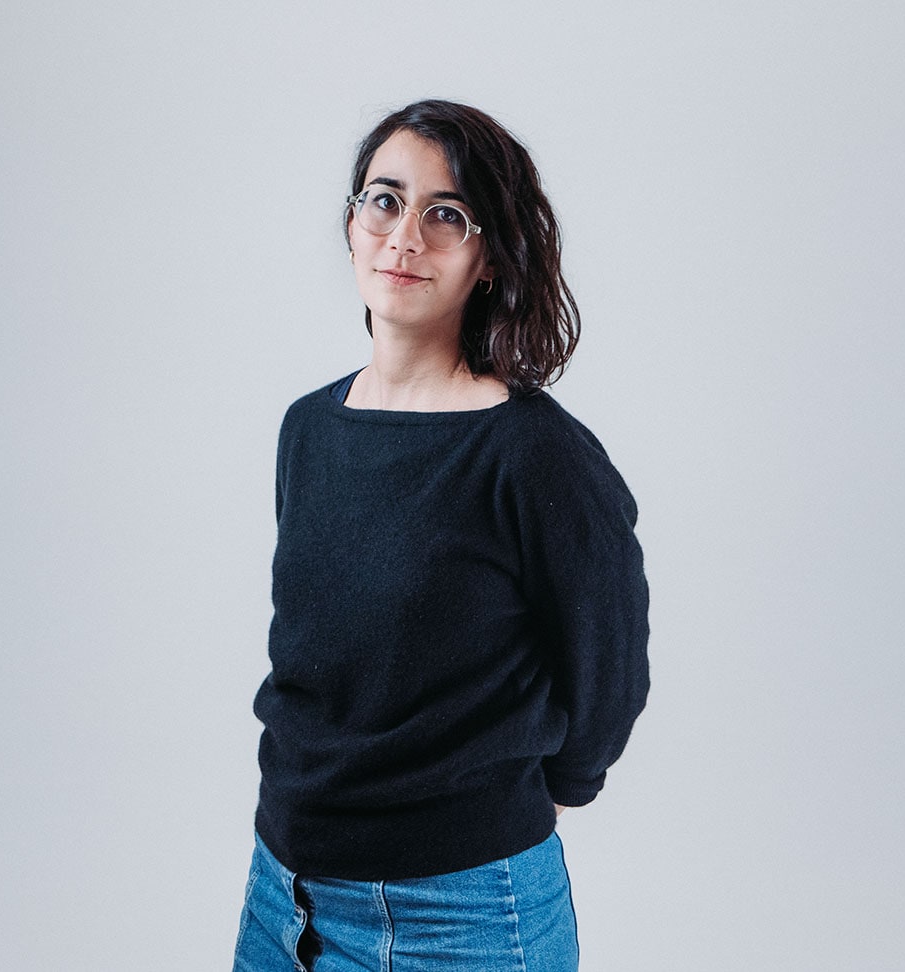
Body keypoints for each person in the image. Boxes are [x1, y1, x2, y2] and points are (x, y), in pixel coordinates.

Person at [232, 99, 650, 971]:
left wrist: (540, 796)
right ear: (352, 224)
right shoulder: (308, 429)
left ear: (489, 259)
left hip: (458, 915)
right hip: (282, 894)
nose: (404, 237)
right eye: (384, 201)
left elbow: (607, 666)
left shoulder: (532, 455)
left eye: (446, 215)